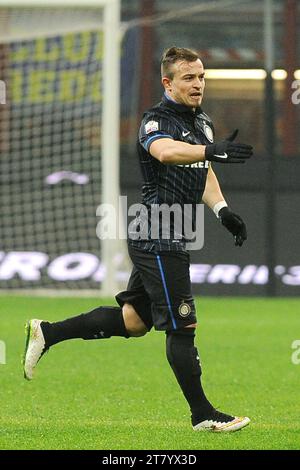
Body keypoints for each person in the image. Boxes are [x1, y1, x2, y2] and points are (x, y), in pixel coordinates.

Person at [23, 47, 253, 432]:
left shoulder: (204, 122)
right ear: (167, 82)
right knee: (182, 325)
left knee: (133, 322)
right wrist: (210, 149)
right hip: (157, 232)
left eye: (201, 77)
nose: (198, 84)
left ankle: (48, 333)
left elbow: (203, 169)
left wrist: (222, 211)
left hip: (175, 230)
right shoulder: (153, 121)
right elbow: (166, 153)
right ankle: (203, 415)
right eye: (188, 78)